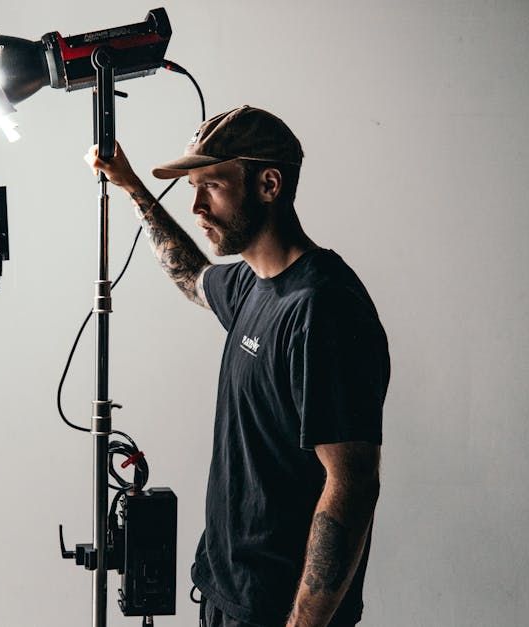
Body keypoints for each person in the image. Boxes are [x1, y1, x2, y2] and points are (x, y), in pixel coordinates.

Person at [84, 105, 390, 627]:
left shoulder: (322, 308)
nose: (198, 205)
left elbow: (353, 484)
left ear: (269, 184)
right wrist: (132, 187)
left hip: (277, 612)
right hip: (226, 593)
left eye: (213, 186)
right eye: (192, 188)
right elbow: (192, 276)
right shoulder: (253, 286)